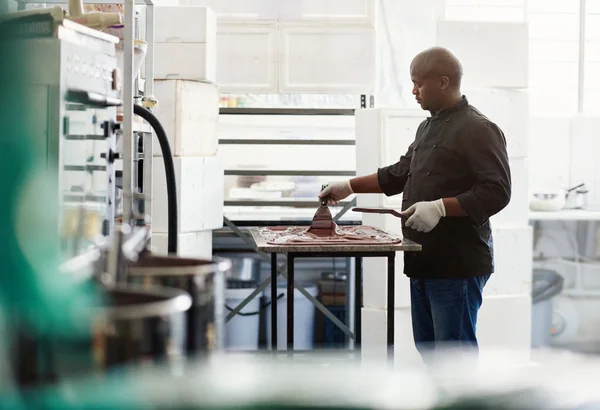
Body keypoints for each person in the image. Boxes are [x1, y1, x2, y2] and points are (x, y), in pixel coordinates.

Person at [319, 46, 511, 360]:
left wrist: (440, 207)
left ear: (444, 82)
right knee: (430, 352)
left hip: (457, 264)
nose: (413, 91)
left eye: (418, 83)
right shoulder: (427, 127)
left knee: (452, 358)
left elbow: (497, 191)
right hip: (424, 260)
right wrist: (347, 186)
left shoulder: (479, 128)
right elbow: (398, 175)